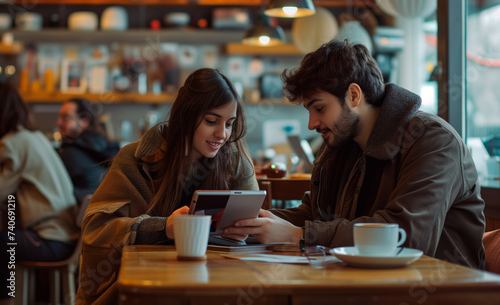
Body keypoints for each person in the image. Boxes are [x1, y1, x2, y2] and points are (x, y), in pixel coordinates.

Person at [225, 39, 486, 270]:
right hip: (365, 282)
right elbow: (315, 215)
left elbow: (404, 234)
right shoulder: (342, 145)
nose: (311, 123)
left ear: (353, 95)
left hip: (439, 290)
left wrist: (299, 236)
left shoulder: (433, 140)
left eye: (319, 108)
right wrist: (240, 222)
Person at [76, 68, 258, 304]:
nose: (222, 134)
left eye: (230, 124)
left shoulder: (236, 162)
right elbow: (96, 229)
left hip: (216, 283)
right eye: (212, 121)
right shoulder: (134, 158)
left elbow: (256, 226)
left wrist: (250, 230)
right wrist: (164, 228)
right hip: (146, 287)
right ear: (186, 117)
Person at [0, 83, 79, 305]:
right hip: (64, 236)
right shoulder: (33, 137)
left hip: (52, 240)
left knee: (2, 244)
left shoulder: (13, 143)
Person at [57, 98, 120, 203]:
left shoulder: (70, 152)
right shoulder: (105, 144)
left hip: (83, 214)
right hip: (108, 212)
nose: (59, 122)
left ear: (84, 121)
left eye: (66, 118)